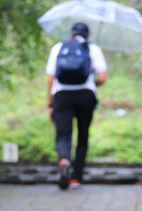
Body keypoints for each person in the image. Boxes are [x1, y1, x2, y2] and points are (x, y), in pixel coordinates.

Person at [46, 22, 107, 190]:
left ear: (71, 34)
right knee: (83, 135)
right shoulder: (93, 49)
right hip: (85, 95)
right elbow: (102, 77)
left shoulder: (59, 47)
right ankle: (76, 178)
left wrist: (50, 104)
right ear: (87, 35)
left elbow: (51, 79)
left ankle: (64, 159)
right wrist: (92, 84)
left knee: (63, 133)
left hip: (62, 95)